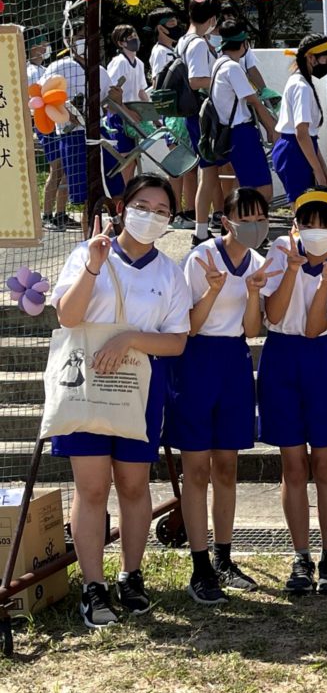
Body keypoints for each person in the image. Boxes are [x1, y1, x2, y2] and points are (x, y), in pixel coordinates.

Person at [48, 174, 190, 628]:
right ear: (122, 208)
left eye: (162, 211)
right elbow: (67, 316)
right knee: (91, 488)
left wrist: (129, 339)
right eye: (142, 206)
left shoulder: (170, 272)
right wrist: (93, 266)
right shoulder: (87, 254)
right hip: (85, 387)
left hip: (139, 391)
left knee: (133, 485)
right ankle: (93, 585)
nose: (151, 216)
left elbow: (177, 341)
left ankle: (131, 574)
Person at [165, 187, 278, 606]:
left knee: (227, 467)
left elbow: (252, 330)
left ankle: (224, 558)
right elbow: (189, 325)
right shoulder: (202, 257)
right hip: (196, 361)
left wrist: (253, 292)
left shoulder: (260, 264)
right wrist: (213, 290)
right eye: (245, 218)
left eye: (260, 218)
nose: (254, 225)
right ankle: (200, 567)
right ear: (225, 220)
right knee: (196, 469)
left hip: (234, 361)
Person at [259, 188, 327, 594]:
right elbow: (273, 314)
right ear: (296, 225)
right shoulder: (280, 251)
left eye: (326, 222)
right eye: (308, 222)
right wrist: (291, 269)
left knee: (326, 463)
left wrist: (322, 285)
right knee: (292, 464)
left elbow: (315, 327)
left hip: (325, 358)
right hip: (281, 356)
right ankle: (300, 555)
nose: (317, 230)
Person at [193, 20, 278, 246]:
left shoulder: (218, 65)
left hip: (225, 133)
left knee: (239, 187)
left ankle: (228, 230)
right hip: (241, 133)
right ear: (244, 44)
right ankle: (248, 233)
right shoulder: (232, 68)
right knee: (262, 190)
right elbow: (254, 101)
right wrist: (271, 128)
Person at [41, 35, 116, 231]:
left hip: (98, 132)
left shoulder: (101, 71)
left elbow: (108, 102)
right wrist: (66, 113)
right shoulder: (59, 66)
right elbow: (42, 97)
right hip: (71, 134)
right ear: (71, 42)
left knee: (111, 186)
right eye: (81, 37)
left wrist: (116, 98)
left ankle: (112, 232)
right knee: (83, 193)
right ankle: (84, 237)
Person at [173, 0, 222, 226]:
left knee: (208, 169)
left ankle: (207, 220)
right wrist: (222, 80)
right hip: (202, 113)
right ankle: (203, 224)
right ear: (212, 19)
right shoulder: (198, 44)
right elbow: (195, 80)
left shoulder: (183, 41)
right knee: (208, 170)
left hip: (192, 112)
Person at [272, 34, 327, 207]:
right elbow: (301, 134)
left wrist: (323, 168)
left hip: (300, 149)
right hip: (294, 152)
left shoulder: (301, 82)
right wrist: (318, 171)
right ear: (310, 57)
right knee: (303, 209)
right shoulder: (301, 86)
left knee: (310, 208)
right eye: (325, 58)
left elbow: (310, 135)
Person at [105, 24, 151, 186]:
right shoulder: (118, 63)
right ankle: (123, 195)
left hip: (135, 117)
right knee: (125, 160)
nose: (134, 40)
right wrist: (126, 112)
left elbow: (141, 91)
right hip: (119, 116)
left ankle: (130, 193)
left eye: (135, 36)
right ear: (120, 43)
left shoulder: (139, 63)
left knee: (135, 158)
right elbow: (111, 94)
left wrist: (153, 114)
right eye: (129, 38)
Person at [146, 7, 181, 82]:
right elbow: (157, 82)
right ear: (160, 28)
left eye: (176, 23)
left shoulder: (172, 50)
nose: (176, 27)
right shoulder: (160, 51)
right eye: (172, 24)